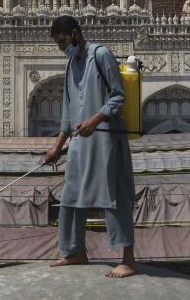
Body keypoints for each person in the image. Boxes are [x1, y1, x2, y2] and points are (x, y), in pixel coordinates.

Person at [43, 15, 137, 278]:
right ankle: (74, 251)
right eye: (58, 45)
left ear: (75, 33)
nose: (62, 48)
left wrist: (94, 120)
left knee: (113, 194)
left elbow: (119, 96)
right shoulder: (71, 64)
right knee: (71, 195)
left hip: (106, 136)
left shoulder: (101, 55)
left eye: (63, 42)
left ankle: (127, 259)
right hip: (80, 141)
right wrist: (57, 147)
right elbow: (67, 112)